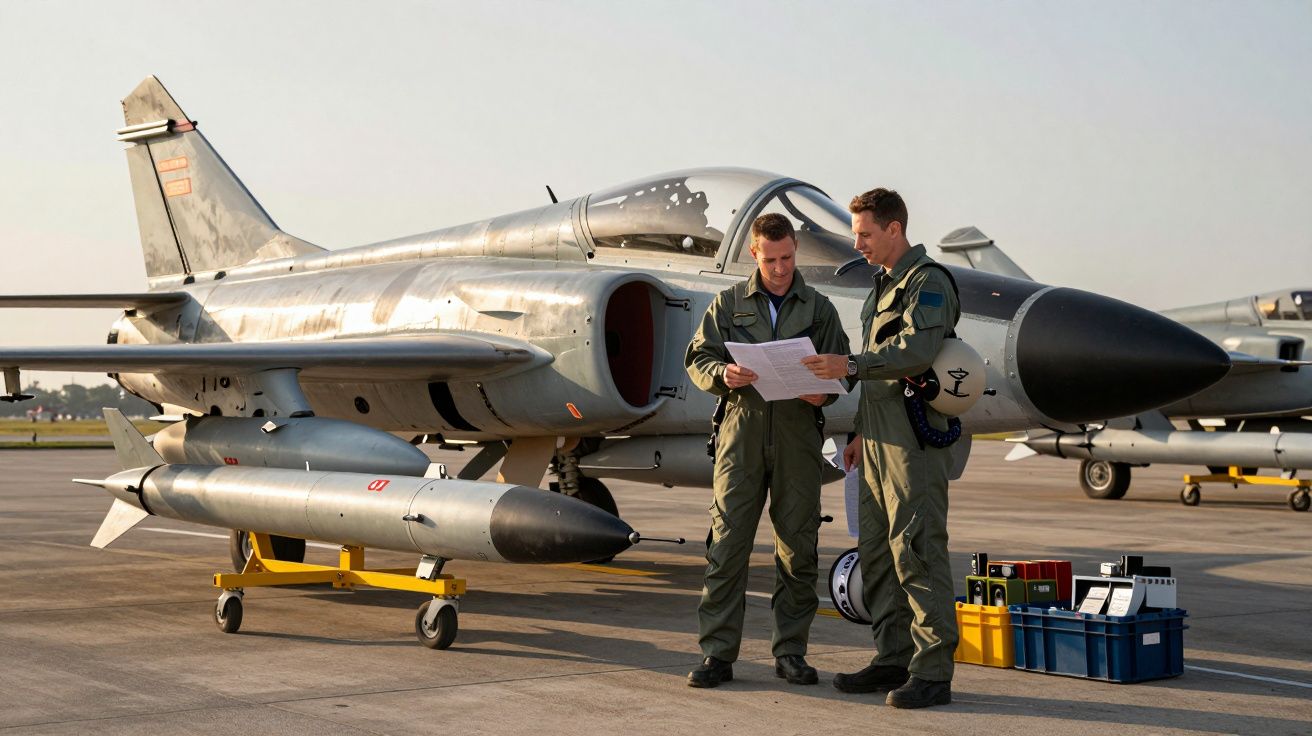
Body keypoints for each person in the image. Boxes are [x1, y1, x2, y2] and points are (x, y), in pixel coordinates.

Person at [801, 188, 961, 709]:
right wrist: (862, 434)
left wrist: (848, 365)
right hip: (877, 441)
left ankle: (933, 670)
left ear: (894, 229)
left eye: (865, 233)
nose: (858, 243)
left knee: (917, 548)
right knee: (878, 554)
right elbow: (884, 376)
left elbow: (915, 352)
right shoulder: (882, 287)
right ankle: (892, 658)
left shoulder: (929, 283)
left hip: (912, 443)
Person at [683, 213, 849, 688]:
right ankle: (717, 654)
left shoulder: (819, 308)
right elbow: (698, 357)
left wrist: (826, 391)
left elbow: (840, 368)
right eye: (771, 259)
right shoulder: (728, 302)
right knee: (728, 544)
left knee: (799, 546)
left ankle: (791, 653)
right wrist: (723, 375)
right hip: (742, 433)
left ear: (796, 249)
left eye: (787, 258)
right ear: (754, 253)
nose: (780, 268)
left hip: (799, 436)